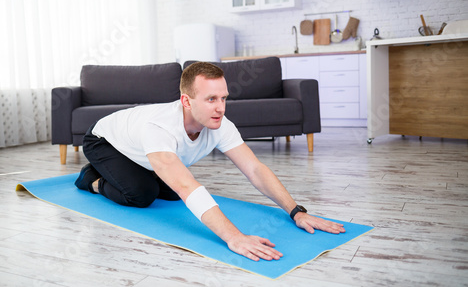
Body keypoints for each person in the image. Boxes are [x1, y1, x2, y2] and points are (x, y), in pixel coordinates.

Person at [75, 61, 345, 262]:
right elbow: (186, 186)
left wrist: (296, 211)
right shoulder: (159, 128)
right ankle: (92, 178)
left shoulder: (220, 124)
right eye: (211, 99)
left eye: (224, 98)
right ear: (186, 101)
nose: (221, 108)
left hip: (140, 149)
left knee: (167, 194)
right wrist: (234, 237)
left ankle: (123, 172)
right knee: (142, 194)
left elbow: (255, 168)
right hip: (104, 141)